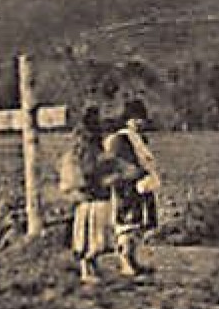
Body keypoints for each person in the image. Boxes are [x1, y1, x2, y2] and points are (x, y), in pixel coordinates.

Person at [104, 98, 160, 277]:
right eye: (135, 120)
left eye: (141, 120)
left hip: (140, 185)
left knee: (138, 223)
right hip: (126, 186)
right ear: (127, 120)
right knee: (126, 224)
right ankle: (125, 261)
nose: (139, 123)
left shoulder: (138, 138)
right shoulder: (119, 140)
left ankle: (133, 260)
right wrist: (136, 173)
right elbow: (119, 165)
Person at [61, 106, 114, 285]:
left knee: (94, 236)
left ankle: (91, 266)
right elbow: (87, 171)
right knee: (92, 237)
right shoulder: (85, 148)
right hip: (91, 196)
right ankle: (86, 269)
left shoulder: (90, 147)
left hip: (94, 195)